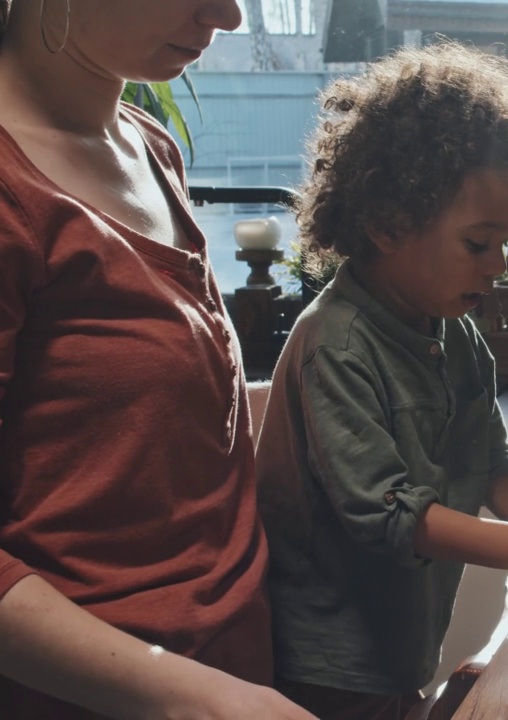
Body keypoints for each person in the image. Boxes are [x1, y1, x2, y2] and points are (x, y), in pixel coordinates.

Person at [253, 42, 508, 720]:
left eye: (505, 241)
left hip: (399, 649)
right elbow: (384, 512)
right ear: (387, 224)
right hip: (325, 669)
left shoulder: (452, 328)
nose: (499, 265)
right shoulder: (337, 343)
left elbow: (495, 465)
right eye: (479, 243)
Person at [0, 1, 315, 718]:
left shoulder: (149, 144)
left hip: (236, 667)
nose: (229, 16)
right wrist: (184, 694)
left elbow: (150, 421)